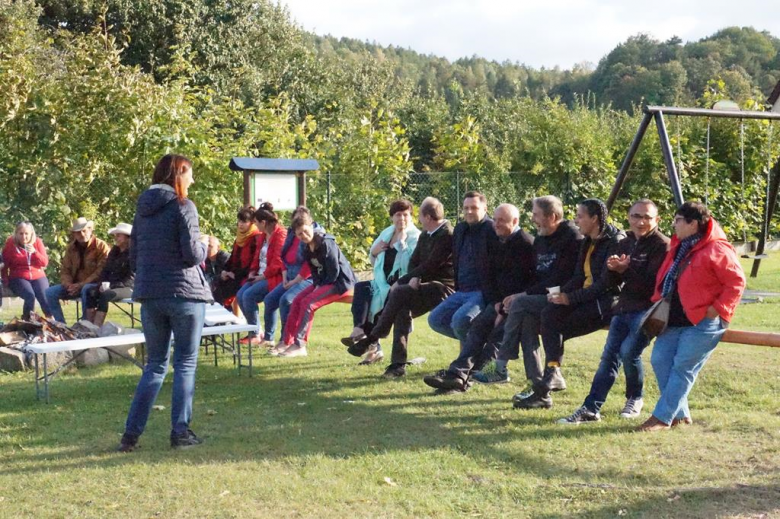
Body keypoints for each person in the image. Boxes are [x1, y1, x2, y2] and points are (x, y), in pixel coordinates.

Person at [118, 153, 212, 452]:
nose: (192, 180)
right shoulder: (184, 206)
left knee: (155, 365)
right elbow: (192, 255)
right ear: (178, 174)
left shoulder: (142, 211)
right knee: (185, 363)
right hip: (184, 295)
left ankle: (130, 436)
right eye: (190, 174)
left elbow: (133, 258)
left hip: (149, 295)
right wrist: (206, 245)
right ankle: (180, 433)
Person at [558, 199, 669, 424]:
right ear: (628, 217)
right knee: (608, 357)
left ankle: (635, 397)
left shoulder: (662, 245)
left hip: (648, 309)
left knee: (629, 352)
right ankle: (590, 408)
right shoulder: (626, 242)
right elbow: (611, 282)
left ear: (657, 220)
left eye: (647, 217)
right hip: (623, 307)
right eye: (636, 216)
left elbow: (653, 284)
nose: (641, 222)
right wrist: (613, 269)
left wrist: (627, 269)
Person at [638, 201, 745, 432]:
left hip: (704, 322)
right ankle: (680, 415)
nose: (673, 225)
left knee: (683, 368)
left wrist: (716, 309)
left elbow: (736, 282)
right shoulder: (680, 246)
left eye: (677, 220)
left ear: (692, 223)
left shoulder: (718, 249)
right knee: (660, 359)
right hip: (674, 320)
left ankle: (661, 418)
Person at [515, 198, 625, 410]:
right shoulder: (587, 240)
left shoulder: (615, 241)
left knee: (552, 323)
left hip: (605, 304)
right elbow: (577, 277)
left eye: (580, 216)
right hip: (586, 298)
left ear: (594, 219)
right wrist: (561, 294)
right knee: (549, 313)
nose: (576, 220)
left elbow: (605, 285)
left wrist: (570, 298)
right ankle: (550, 375)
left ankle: (537, 382)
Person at [423, 203, 534, 393]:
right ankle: (457, 374)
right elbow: (489, 277)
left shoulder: (526, 244)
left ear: (515, 222)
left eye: (501, 221)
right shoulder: (499, 240)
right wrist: (497, 303)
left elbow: (533, 280)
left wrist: (511, 303)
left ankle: (482, 373)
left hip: (521, 303)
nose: (495, 224)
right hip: (500, 301)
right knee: (477, 328)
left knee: (497, 333)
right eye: (495, 219)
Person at [473, 196, 582, 390]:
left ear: (553, 216)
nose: (532, 219)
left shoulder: (572, 238)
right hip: (543, 296)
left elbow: (560, 277)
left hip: (567, 297)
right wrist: (522, 293)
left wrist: (523, 295)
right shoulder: (541, 237)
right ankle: (538, 381)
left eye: (536, 214)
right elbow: (536, 274)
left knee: (520, 305)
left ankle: (500, 366)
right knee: (526, 321)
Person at [349, 197, 455, 378]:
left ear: (428, 217)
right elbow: (416, 262)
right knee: (401, 309)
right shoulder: (426, 234)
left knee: (399, 291)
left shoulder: (446, 235)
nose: (418, 220)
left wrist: (404, 280)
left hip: (444, 288)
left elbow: (431, 265)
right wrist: (413, 278)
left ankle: (373, 337)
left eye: (419, 216)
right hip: (424, 286)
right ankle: (397, 366)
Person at [341, 199, 420, 365]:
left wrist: (402, 244)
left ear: (411, 216)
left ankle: (371, 345)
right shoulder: (387, 233)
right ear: (392, 217)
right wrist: (375, 252)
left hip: (402, 284)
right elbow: (374, 258)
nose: (402, 219)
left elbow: (412, 265)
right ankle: (360, 329)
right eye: (398, 215)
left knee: (380, 307)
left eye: (406, 215)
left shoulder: (415, 236)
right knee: (362, 288)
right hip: (383, 282)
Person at [269, 211, 356, 358]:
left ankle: (300, 345)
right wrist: (317, 284)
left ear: (311, 226)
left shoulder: (326, 243)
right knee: (297, 300)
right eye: (299, 234)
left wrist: (319, 287)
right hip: (323, 282)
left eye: (305, 230)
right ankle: (287, 341)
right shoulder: (305, 248)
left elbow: (334, 271)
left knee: (308, 303)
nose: (303, 235)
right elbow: (314, 270)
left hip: (340, 282)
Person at [427, 191, 495, 345]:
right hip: (462, 290)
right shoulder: (460, 229)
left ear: (485, 209)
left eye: (474, 208)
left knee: (460, 321)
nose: (469, 211)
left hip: (481, 292)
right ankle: (478, 345)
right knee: (435, 320)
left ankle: (468, 360)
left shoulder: (492, 229)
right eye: (466, 208)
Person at [261, 206, 319, 346]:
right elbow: (284, 257)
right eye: (295, 220)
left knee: (286, 300)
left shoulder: (312, 237)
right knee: (269, 300)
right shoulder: (291, 234)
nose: (298, 224)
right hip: (290, 277)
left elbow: (308, 264)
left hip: (306, 279)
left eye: (301, 220)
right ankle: (268, 338)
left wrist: (294, 281)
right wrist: (285, 276)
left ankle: (286, 340)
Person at [237, 203, 288, 346]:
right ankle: (256, 331)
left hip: (273, 277)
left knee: (249, 295)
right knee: (241, 295)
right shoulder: (262, 236)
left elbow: (278, 262)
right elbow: (257, 258)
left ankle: (262, 335)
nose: (256, 226)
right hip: (259, 275)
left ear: (264, 223)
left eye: (257, 223)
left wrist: (262, 276)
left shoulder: (280, 234)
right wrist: (253, 272)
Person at [45, 217, 111, 324]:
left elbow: (101, 271)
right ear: (74, 234)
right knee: (50, 292)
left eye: (84, 231)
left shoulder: (101, 246)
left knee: (86, 289)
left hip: (94, 285)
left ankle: (85, 324)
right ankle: (61, 325)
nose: (81, 234)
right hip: (74, 286)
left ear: (90, 230)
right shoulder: (71, 248)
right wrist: (68, 285)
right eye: (78, 232)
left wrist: (80, 285)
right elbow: (65, 269)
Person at [82, 223, 135, 327]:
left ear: (127, 238)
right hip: (111, 285)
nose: (116, 238)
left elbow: (130, 278)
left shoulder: (133, 253)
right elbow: (105, 270)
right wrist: (101, 284)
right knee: (90, 292)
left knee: (105, 295)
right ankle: (88, 326)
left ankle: (96, 327)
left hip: (127, 287)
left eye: (119, 235)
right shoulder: (114, 251)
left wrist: (111, 286)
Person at [1, 221, 52, 319]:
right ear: (16, 233)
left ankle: (53, 322)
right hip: (18, 276)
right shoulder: (11, 243)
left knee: (45, 296)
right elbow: (5, 264)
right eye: (21, 233)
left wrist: (35, 252)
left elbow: (44, 263)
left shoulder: (37, 242)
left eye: (26, 234)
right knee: (30, 296)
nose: (24, 237)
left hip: (37, 275)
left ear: (31, 234)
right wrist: (5, 280)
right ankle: (27, 321)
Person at [211, 207, 260, 311]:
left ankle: (231, 321)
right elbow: (232, 259)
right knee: (215, 286)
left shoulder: (255, 238)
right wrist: (225, 271)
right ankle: (224, 319)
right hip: (236, 275)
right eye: (239, 221)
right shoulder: (239, 238)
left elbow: (253, 263)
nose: (240, 224)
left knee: (226, 291)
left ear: (251, 223)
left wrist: (235, 274)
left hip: (248, 276)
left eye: (244, 221)